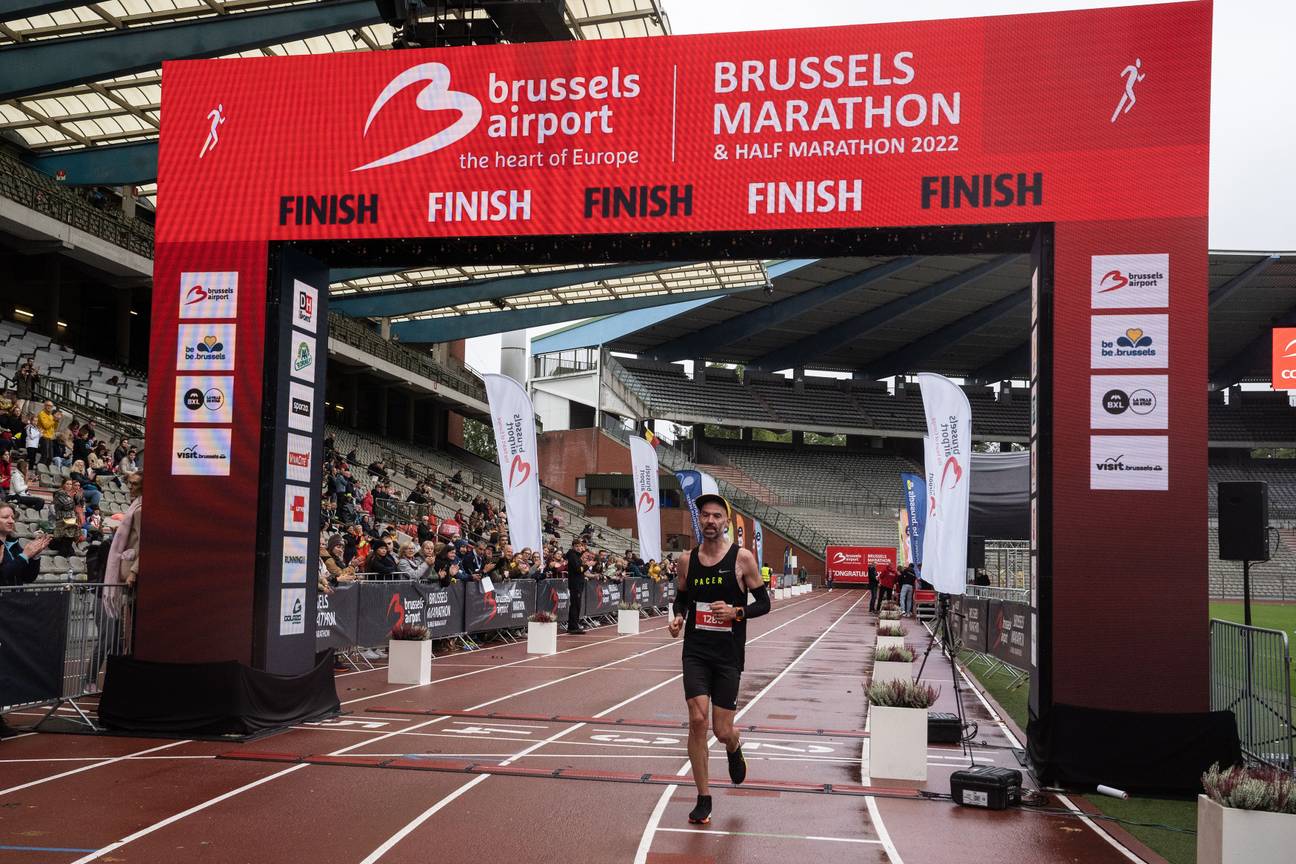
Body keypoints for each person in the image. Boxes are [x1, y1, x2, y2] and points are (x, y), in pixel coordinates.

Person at [666, 493, 770, 825]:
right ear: (699, 519)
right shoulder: (686, 560)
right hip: (695, 651)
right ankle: (703, 797)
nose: (710, 521)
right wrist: (677, 617)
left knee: (721, 729)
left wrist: (736, 611)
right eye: (705, 515)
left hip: (727, 656)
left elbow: (764, 603)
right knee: (697, 720)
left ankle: (734, 745)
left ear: (726, 522)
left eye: (716, 516)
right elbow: (681, 598)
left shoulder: (742, 559)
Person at [0, 501, 48, 585]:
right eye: (5, 517)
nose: (11, 521)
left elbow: (28, 578)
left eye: (12, 517)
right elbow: (2, 575)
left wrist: (35, 555)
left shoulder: (13, 544)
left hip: (17, 597)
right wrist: (24, 556)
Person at [565, 537, 586, 634]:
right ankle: (573, 626)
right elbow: (578, 569)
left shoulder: (577, 555)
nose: (578, 548)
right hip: (575, 583)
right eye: (576, 546)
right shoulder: (572, 556)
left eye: (580, 546)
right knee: (575, 605)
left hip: (578, 582)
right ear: (573, 547)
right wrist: (587, 565)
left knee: (577, 605)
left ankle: (575, 624)